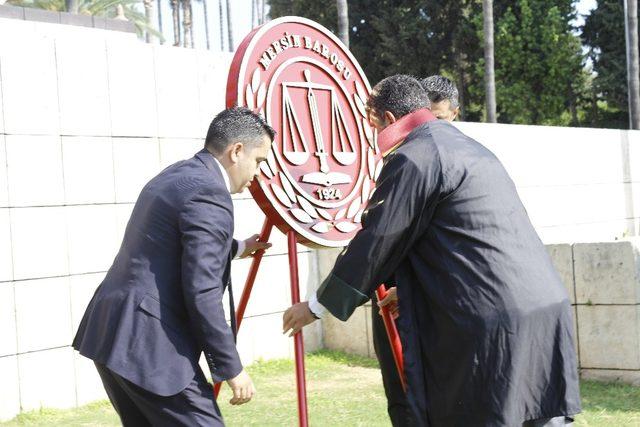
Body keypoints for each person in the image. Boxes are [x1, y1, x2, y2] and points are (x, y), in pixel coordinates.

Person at [283, 75, 581, 426]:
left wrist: (317, 306)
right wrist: (410, 290)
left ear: (390, 120)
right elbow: (464, 241)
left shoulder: (414, 155)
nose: (370, 131)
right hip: (543, 308)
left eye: (372, 121)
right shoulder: (467, 147)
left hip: (492, 322)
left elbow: (378, 241)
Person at [73, 107, 275, 426]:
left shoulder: (180, 175)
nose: (257, 173)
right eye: (259, 160)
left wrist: (237, 247)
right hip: (150, 347)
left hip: (112, 331)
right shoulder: (211, 193)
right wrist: (231, 367)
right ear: (237, 151)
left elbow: (175, 244)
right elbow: (202, 292)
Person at [369, 74, 463, 427]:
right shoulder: (398, 160)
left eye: (439, 119)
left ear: (455, 115)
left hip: (436, 308)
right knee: (401, 400)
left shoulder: (460, 165)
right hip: (391, 301)